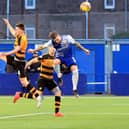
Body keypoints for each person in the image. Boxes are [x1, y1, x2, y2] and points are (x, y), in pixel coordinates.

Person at [28, 31, 90, 97]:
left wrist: (84, 50)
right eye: (55, 40)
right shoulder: (51, 42)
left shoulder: (67, 38)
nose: (56, 41)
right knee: (55, 62)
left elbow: (76, 44)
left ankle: (74, 89)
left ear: (58, 35)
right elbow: (42, 47)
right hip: (60, 57)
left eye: (57, 39)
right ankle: (59, 75)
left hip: (68, 57)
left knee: (75, 70)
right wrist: (34, 50)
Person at [14, 47, 64, 117]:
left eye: (54, 49)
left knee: (58, 92)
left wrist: (59, 76)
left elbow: (58, 62)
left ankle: (56, 112)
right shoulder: (44, 56)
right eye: (51, 48)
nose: (53, 50)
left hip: (50, 80)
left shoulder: (55, 58)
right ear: (49, 49)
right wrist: (26, 67)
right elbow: (33, 61)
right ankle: (19, 95)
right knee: (36, 96)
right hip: (42, 79)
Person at [0, 18, 41, 103]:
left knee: (24, 83)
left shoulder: (23, 38)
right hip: (15, 60)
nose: (16, 31)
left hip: (20, 63)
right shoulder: (18, 35)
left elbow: (17, 49)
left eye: (17, 30)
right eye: (16, 29)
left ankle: (37, 96)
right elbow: (12, 32)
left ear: (21, 30)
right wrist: (8, 23)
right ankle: (36, 96)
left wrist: (6, 54)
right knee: (0, 54)